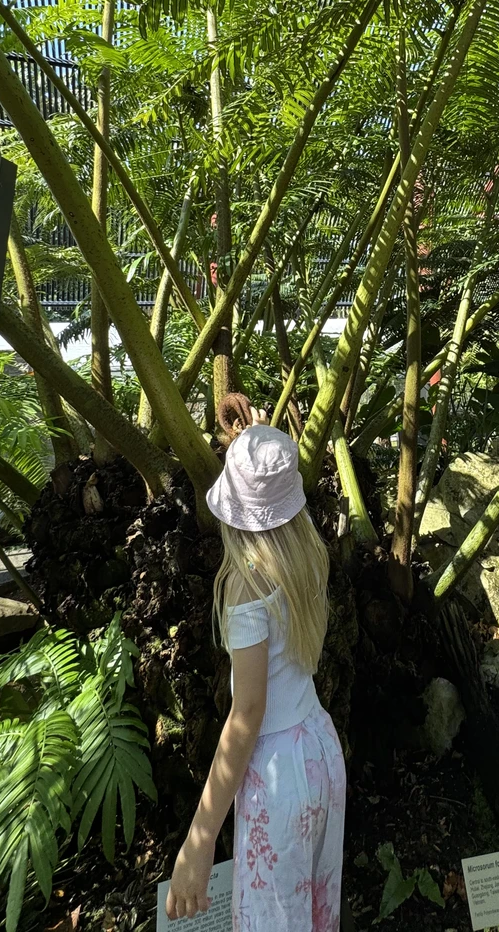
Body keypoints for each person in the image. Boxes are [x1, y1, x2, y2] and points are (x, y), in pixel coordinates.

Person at [166, 395, 346, 931]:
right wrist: (250, 436)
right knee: (315, 914)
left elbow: (247, 715)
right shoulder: (306, 552)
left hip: (277, 777)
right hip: (318, 748)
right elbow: (272, 484)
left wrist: (199, 844)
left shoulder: (244, 585)